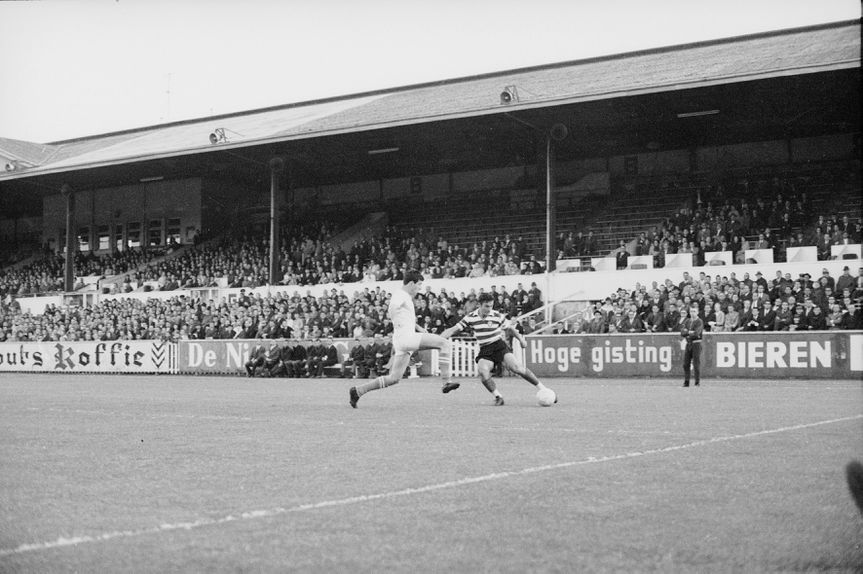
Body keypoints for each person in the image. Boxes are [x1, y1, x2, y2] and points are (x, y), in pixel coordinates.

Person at [349, 271, 454, 408]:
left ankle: (357, 391)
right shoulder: (401, 295)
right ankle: (446, 382)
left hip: (401, 340)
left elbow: (402, 315)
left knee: (394, 378)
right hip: (406, 339)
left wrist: (419, 328)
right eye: (419, 285)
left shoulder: (403, 296)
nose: (420, 288)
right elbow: (392, 309)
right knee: (444, 343)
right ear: (411, 283)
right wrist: (397, 324)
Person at [440, 292, 555, 406]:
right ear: (479, 305)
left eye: (491, 306)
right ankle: (498, 397)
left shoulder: (497, 316)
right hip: (485, 349)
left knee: (517, 368)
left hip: (499, 346)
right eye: (486, 306)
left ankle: (544, 390)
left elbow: (510, 329)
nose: (489, 309)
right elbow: (453, 329)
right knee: (483, 372)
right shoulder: (470, 317)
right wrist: (438, 339)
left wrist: (521, 340)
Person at [679, 305, 703, 387]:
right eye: (691, 311)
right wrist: (689, 332)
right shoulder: (687, 321)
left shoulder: (699, 321)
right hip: (688, 343)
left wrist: (688, 332)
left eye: (694, 311)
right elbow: (682, 332)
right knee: (686, 364)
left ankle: (697, 382)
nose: (692, 313)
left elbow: (697, 333)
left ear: (697, 312)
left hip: (696, 343)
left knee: (696, 363)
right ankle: (686, 381)